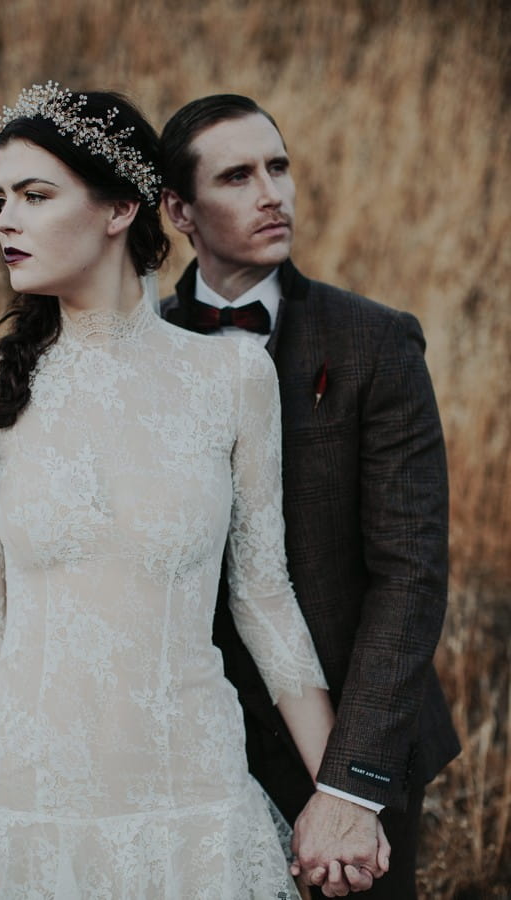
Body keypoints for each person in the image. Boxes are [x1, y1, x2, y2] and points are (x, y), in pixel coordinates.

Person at [0, 82, 367, 900]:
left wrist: (339, 795)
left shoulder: (230, 377)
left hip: (195, 808)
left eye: (34, 195)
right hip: (33, 819)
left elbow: (265, 597)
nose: (3, 220)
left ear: (121, 208)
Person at [159, 93, 461, 898]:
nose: (273, 193)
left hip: (357, 735)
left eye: (279, 166)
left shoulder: (373, 342)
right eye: (238, 176)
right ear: (178, 210)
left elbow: (412, 572)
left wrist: (350, 785)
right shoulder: (142, 356)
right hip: (198, 749)